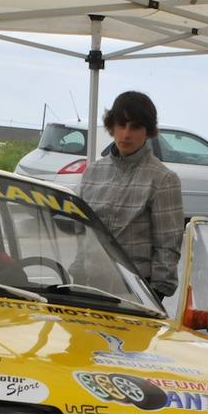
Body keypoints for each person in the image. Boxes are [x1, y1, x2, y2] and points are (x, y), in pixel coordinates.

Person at [79, 90, 183, 299]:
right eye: (121, 124)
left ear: (148, 131)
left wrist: (156, 294)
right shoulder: (92, 171)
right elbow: (83, 233)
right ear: (111, 126)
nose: (126, 134)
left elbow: (168, 245)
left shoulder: (163, 179)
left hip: (134, 293)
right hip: (88, 286)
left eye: (135, 127)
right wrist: (76, 271)